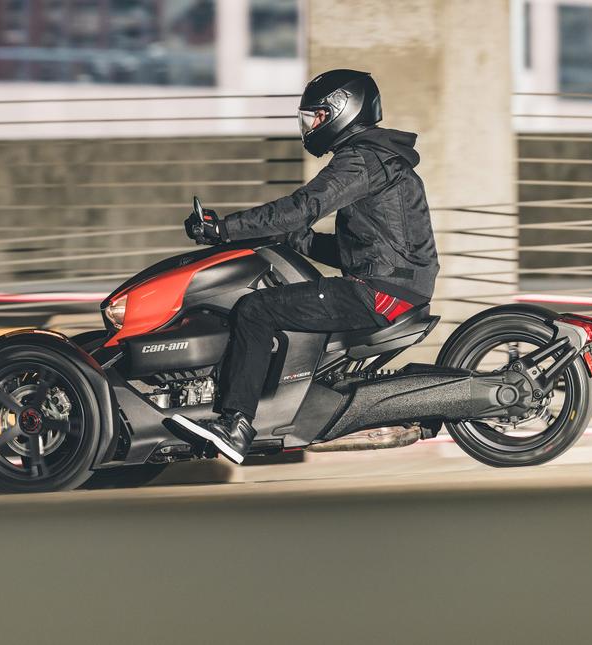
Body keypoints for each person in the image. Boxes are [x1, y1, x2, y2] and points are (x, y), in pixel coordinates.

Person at [173, 69, 440, 464]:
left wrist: (224, 229)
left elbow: (303, 207)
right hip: (388, 283)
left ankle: (236, 425)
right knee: (282, 299)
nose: (311, 125)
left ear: (342, 109)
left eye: (316, 116)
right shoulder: (378, 159)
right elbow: (359, 249)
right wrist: (291, 238)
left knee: (255, 309)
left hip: (379, 290)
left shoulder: (360, 160)